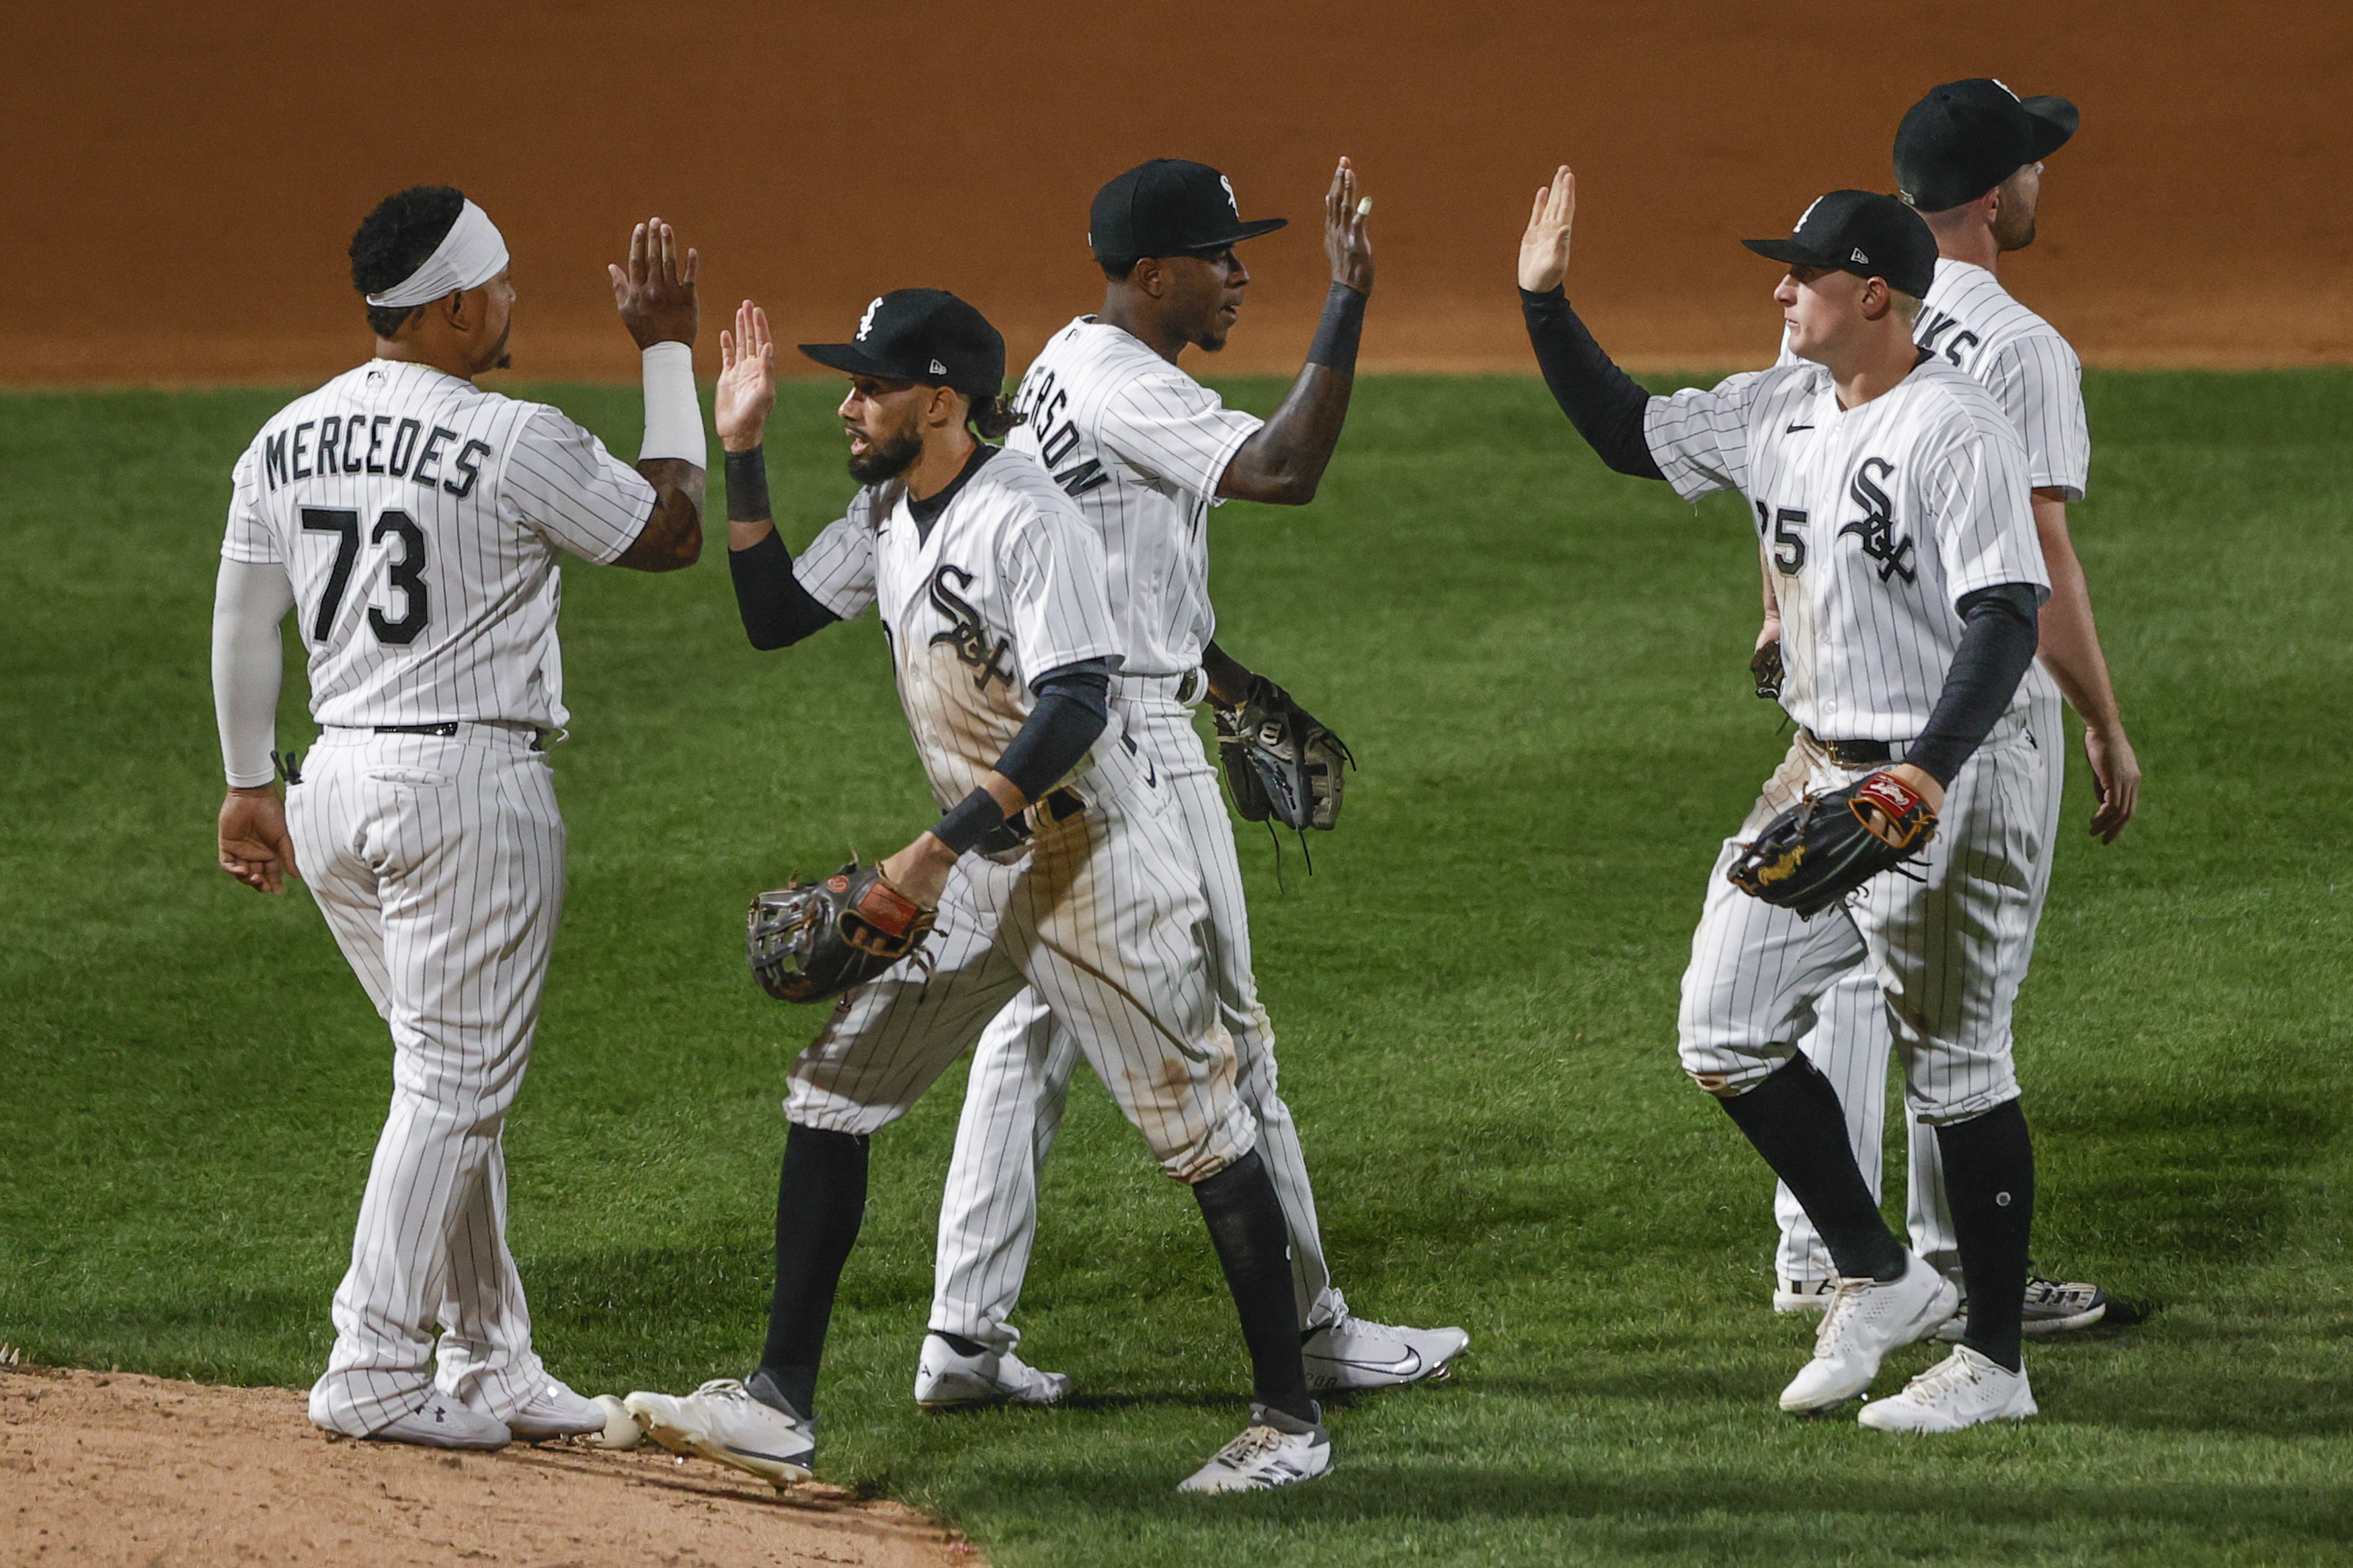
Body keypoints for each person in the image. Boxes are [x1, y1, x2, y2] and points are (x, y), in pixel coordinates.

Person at [623, 289, 1334, 1492]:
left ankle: (1290, 1422)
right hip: (984, 862)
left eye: (871, 386)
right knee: (834, 1094)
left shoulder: (1027, 516)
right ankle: (780, 1400)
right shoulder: (888, 513)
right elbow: (773, 612)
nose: (848, 405)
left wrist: (936, 846)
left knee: (1202, 1131)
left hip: (1095, 858)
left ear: (942, 400)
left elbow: (1076, 702)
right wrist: (740, 452)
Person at [914, 157, 1468, 1412]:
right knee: (1230, 1039)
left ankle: (962, 1335)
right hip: (1130, 751)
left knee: (1035, 1031)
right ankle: (1314, 1327)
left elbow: (1107, 563)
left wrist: (1214, 672)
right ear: (1151, 273)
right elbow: (1281, 468)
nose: (1241, 275)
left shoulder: (1059, 363)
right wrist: (1348, 301)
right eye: (1222, 256)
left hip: (1080, 721)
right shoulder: (1126, 383)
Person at [1519, 169, 2055, 1431]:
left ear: (1871, 293)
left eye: (1801, 273)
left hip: (1952, 770)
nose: (1779, 288)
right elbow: (1627, 430)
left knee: (1957, 1063)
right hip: (1820, 768)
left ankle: (1995, 1361)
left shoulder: (1957, 427)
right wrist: (1542, 301)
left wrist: (1923, 771)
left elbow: (2006, 616)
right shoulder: (1780, 406)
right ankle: (1880, 1274)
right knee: (1723, 1023)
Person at [210, 188, 705, 1450]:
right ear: (449, 309)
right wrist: (664, 348)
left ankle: (486, 1355)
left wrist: (247, 782)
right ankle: (372, 1361)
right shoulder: (515, 435)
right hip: (465, 799)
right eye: (499, 288)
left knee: (444, 1079)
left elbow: (244, 617)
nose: (513, 306)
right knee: (452, 1087)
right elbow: (671, 532)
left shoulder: (284, 436)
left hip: (332, 792)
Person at [1760, 80, 2137, 1341]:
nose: (2040, 181)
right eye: (2032, 165)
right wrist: (2103, 716)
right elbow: (2042, 564)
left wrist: (1775, 621)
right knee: (1959, 1011)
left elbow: (1786, 494)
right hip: (1965, 731)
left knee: (1855, 976)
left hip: (1843, 693)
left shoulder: (1828, 304)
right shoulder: (2024, 349)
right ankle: (1954, 1264)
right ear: (1992, 195)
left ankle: (1823, 1250)